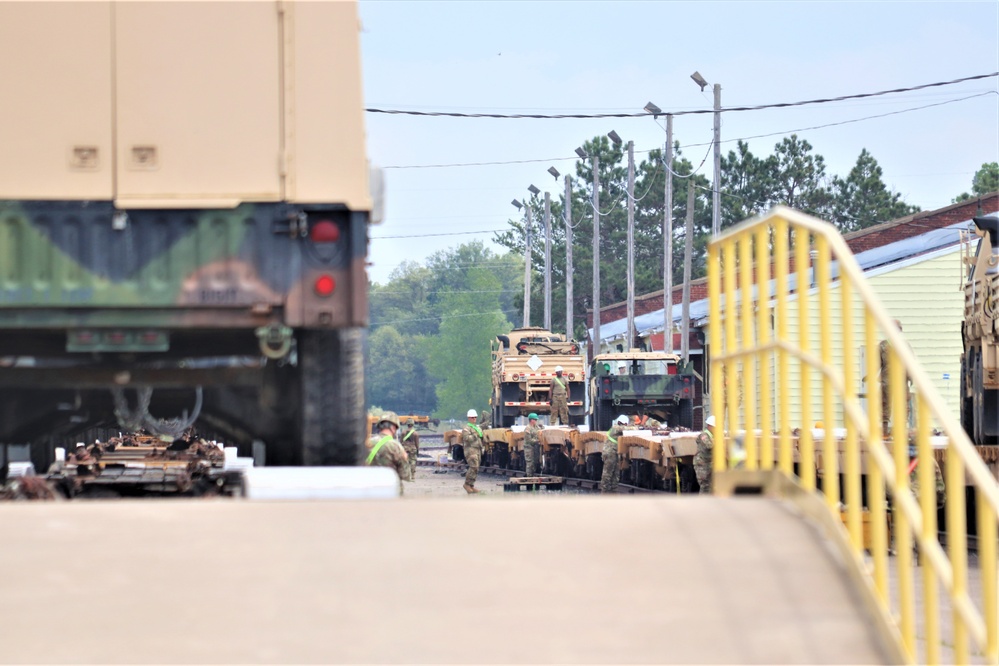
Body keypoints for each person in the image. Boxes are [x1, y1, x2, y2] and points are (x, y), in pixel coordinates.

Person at [365, 411, 412, 495]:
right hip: (390, 492)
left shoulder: (367, 443)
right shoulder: (396, 447)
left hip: (370, 491)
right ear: (394, 427)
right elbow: (405, 475)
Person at [878, 319, 912, 435]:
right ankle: (885, 431)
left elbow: (910, 363)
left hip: (900, 380)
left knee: (902, 405)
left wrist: (910, 377)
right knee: (885, 405)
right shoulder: (882, 346)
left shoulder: (904, 346)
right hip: (888, 381)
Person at [600, 414, 628, 493]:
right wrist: (637, 428)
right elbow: (624, 429)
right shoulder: (615, 428)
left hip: (615, 452)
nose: (626, 425)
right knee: (608, 473)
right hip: (610, 453)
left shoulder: (617, 428)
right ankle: (605, 492)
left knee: (615, 474)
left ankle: (613, 492)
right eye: (625, 424)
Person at [462, 409, 485, 494]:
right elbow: (467, 439)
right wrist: (475, 434)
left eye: (475, 417)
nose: (474, 419)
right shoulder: (466, 429)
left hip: (477, 450)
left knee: (476, 468)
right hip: (470, 450)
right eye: (472, 417)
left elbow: (481, 437)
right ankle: (467, 484)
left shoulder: (477, 427)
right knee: (473, 467)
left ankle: (471, 485)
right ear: (469, 418)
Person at [694, 415, 716, 494]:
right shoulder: (704, 436)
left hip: (708, 464)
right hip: (702, 465)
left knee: (710, 486)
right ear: (709, 426)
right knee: (705, 486)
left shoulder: (712, 436)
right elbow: (709, 446)